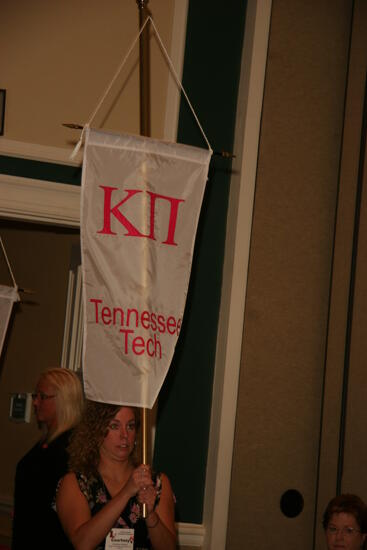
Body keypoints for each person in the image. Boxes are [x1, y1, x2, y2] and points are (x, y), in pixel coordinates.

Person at [56, 400, 177, 550]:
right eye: (115, 426)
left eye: (130, 426)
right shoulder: (76, 483)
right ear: (97, 431)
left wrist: (151, 515)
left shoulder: (156, 482)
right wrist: (126, 492)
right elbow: (82, 543)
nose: (125, 435)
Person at [12, 367, 84, 550]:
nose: (35, 402)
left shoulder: (71, 449)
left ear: (64, 400)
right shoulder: (46, 442)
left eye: (42, 396)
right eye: (35, 395)